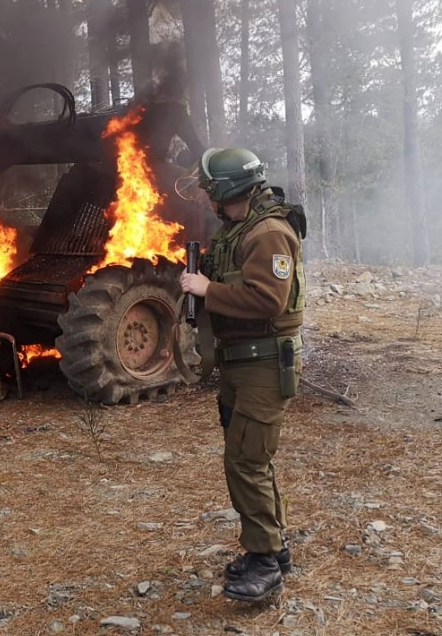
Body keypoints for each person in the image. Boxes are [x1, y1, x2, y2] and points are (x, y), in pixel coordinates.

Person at [178, 148, 306, 603]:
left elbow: (268, 301)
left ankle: (265, 562)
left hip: (263, 365)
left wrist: (208, 289)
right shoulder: (239, 230)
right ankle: (275, 546)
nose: (207, 198)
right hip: (240, 361)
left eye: (211, 189)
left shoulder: (269, 233)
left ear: (228, 188)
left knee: (246, 461)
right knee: (251, 457)